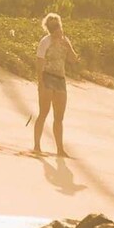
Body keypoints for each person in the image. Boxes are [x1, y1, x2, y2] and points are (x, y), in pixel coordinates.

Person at [33, 12, 79, 157]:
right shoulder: (45, 42)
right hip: (47, 78)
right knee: (43, 113)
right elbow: (39, 64)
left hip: (60, 80)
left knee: (59, 117)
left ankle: (60, 149)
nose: (57, 30)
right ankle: (37, 146)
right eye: (54, 28)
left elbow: (73, 60)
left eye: (58, 26)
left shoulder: (66, 41)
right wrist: (40, 83)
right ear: (49, 29)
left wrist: (69, 47)